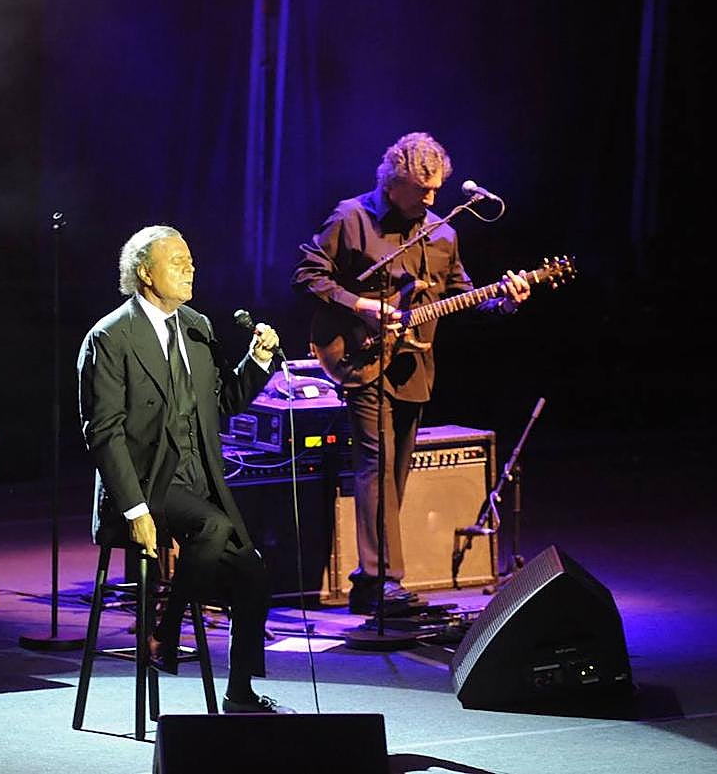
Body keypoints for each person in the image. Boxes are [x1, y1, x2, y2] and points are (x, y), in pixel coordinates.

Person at [292, 131, 531, 615]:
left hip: (413, 364)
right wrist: (360, 305)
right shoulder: (351, 218)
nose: (431, 198)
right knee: (375, 464)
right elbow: (307, 276)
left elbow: (463, 296)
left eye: (436, 190)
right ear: (392, 182)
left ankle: (367, 583)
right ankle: (384, 583)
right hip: (358, 357)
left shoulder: (444, 233)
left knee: (395, 472)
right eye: (421, 190)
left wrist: (503, 299)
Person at [77, 224, 293, 714]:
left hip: (198, 481)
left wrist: (255, 362)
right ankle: (166, 630)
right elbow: (103, 432)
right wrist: (134, 509)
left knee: (253, 573)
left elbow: (221, 404)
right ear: (144, 272)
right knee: (212, 525)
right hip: (143, 486)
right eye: (177, 261)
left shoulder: (197, 326)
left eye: (191, 260)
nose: (190, 268)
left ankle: (239, 693)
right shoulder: (110, 337)